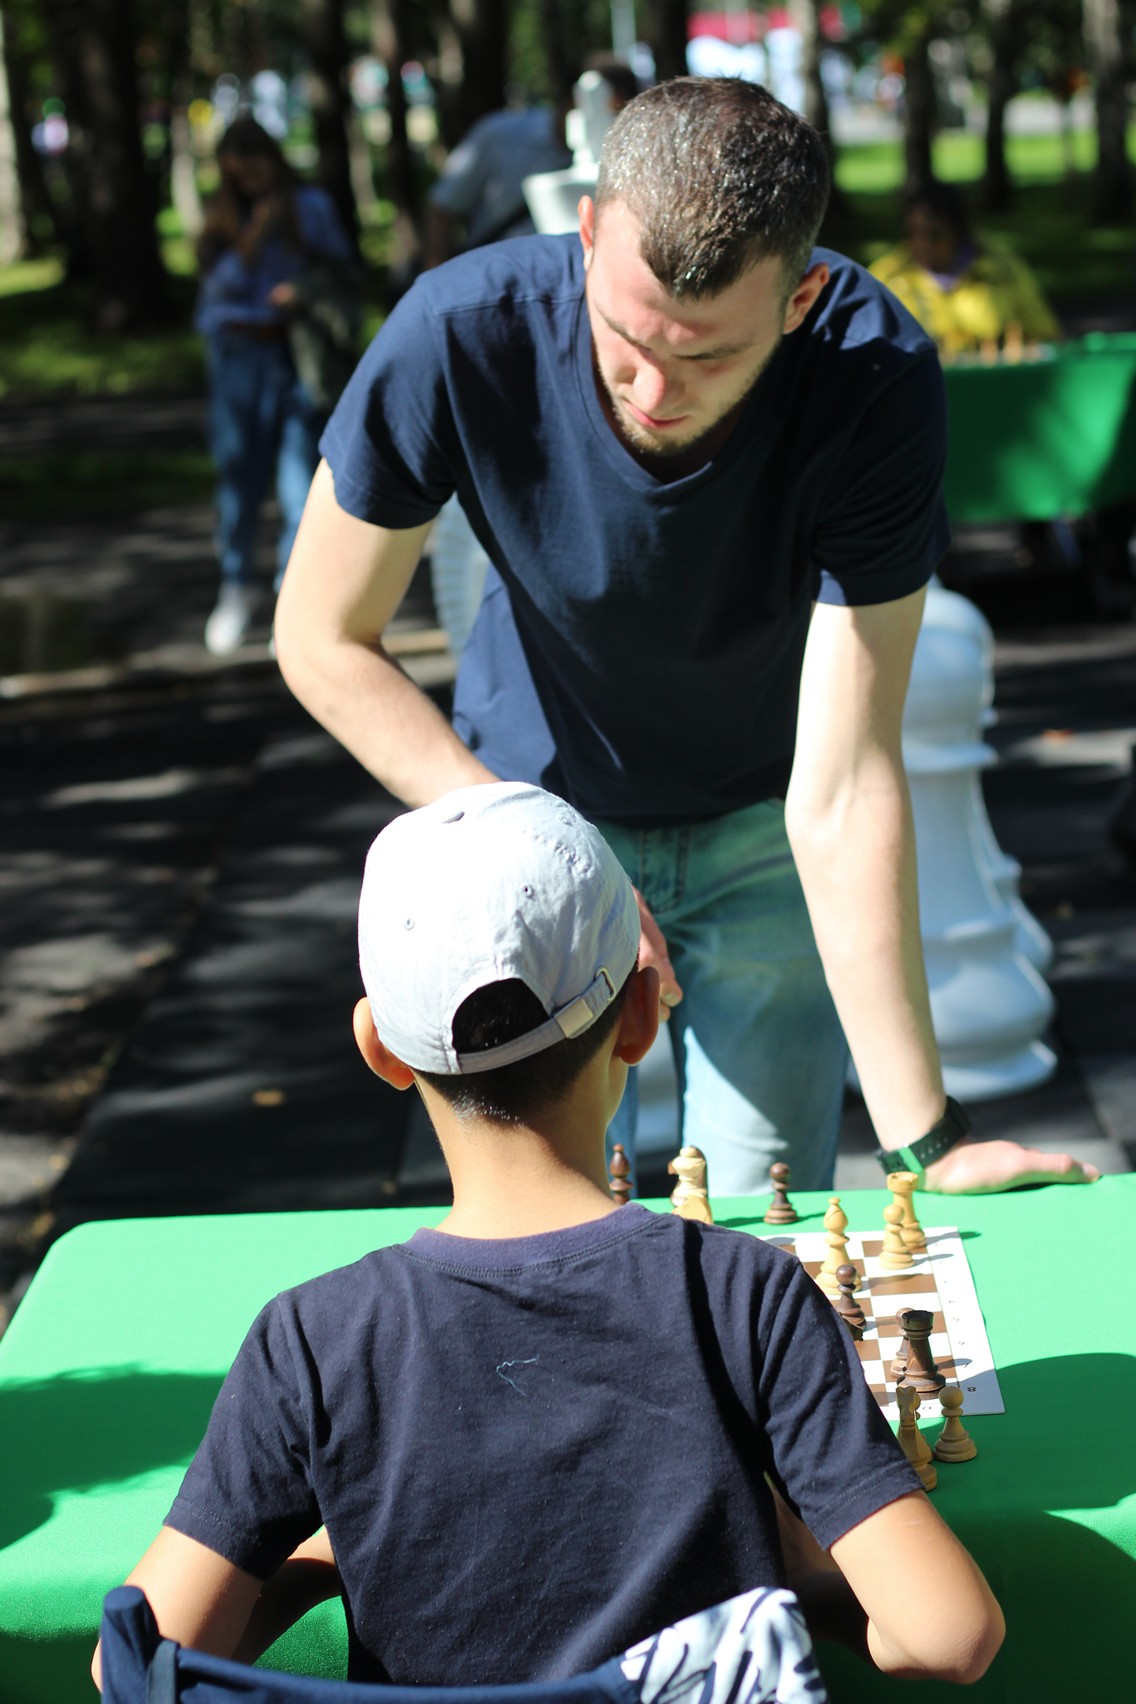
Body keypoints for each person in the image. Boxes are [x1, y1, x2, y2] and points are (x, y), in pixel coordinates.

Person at [273, 76, 1097, 1199]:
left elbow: (846, 781)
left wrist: (925, 1140)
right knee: (548, 1224)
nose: (655, 390)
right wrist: (541, 842)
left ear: (800, 298)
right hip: (530, 812)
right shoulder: (457, 332)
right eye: (626, 338)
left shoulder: (872, 373)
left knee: (755, 1225)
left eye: (709, 357)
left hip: (765, 824)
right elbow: (320, 636)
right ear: (587, 233)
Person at [92, 783, 1004, 1691]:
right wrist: (799, 1578)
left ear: (379, 1049)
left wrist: (330, 1557)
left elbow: (132, 1663)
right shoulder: (742, 1294)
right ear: (641, 1016)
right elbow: (949, 1635)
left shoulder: (311, 1341)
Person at [195, 116, 358, 657]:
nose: (250, 185)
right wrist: (256, 234)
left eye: (256, 172)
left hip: (296, 353)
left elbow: (343, 272)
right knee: (238, 481)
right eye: (238, 177)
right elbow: (219, 289)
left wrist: (303, 289)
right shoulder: (222, 214)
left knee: (299, 485)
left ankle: (291, 598)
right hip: (238, 356)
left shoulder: (310, 207)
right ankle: (236, 585)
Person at [422, 57, 641, 268]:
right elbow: (443, 207)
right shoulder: (499, 135)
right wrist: (437, 272)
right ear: (572, 99)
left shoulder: (626, 161)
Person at [869, 179, 1061, 360]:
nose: (923, 243)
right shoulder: (886, 276)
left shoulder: (1004, 270)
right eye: (912, 233)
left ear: (959, 231)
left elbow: (1045, 334)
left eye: (935, 234)